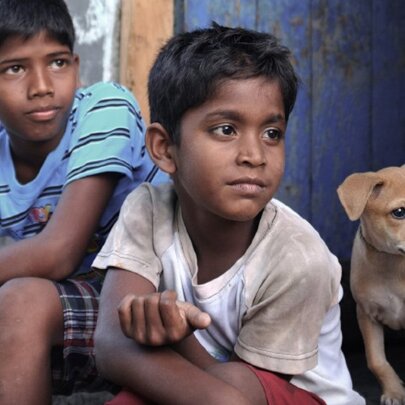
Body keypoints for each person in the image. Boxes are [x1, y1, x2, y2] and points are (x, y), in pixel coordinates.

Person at [93, 24, 365, 405]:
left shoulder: (300, 258)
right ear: (165, 148)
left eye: (272, 133)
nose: (255, 155)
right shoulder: (148, 209)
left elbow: (240, 390)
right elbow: (109, 343)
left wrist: (175, 337)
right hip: (207, 383)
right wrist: (156, 336)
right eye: (226, 129)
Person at [0, 0, 167, 403]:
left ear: (76, 64)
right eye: (14, 68)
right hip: (78, 302)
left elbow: (58, 253)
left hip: (157, 296)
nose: (41, 85)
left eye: (57, 63)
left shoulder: (104, 108)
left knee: (20, 302)